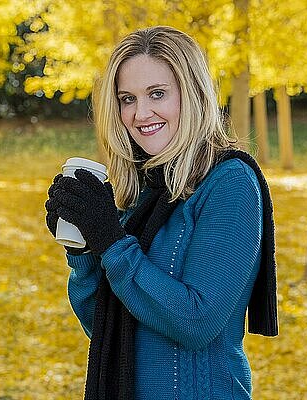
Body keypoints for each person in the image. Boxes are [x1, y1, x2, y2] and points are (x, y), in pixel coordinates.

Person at [45, 26, 278, 400]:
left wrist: (111, 241)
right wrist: (84, 249)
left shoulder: (230, 182)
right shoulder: (145, 189)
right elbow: (106, 326)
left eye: (157, 94)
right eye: (127, 98)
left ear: (192, 93)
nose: (140, 113)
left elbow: (197, 322)